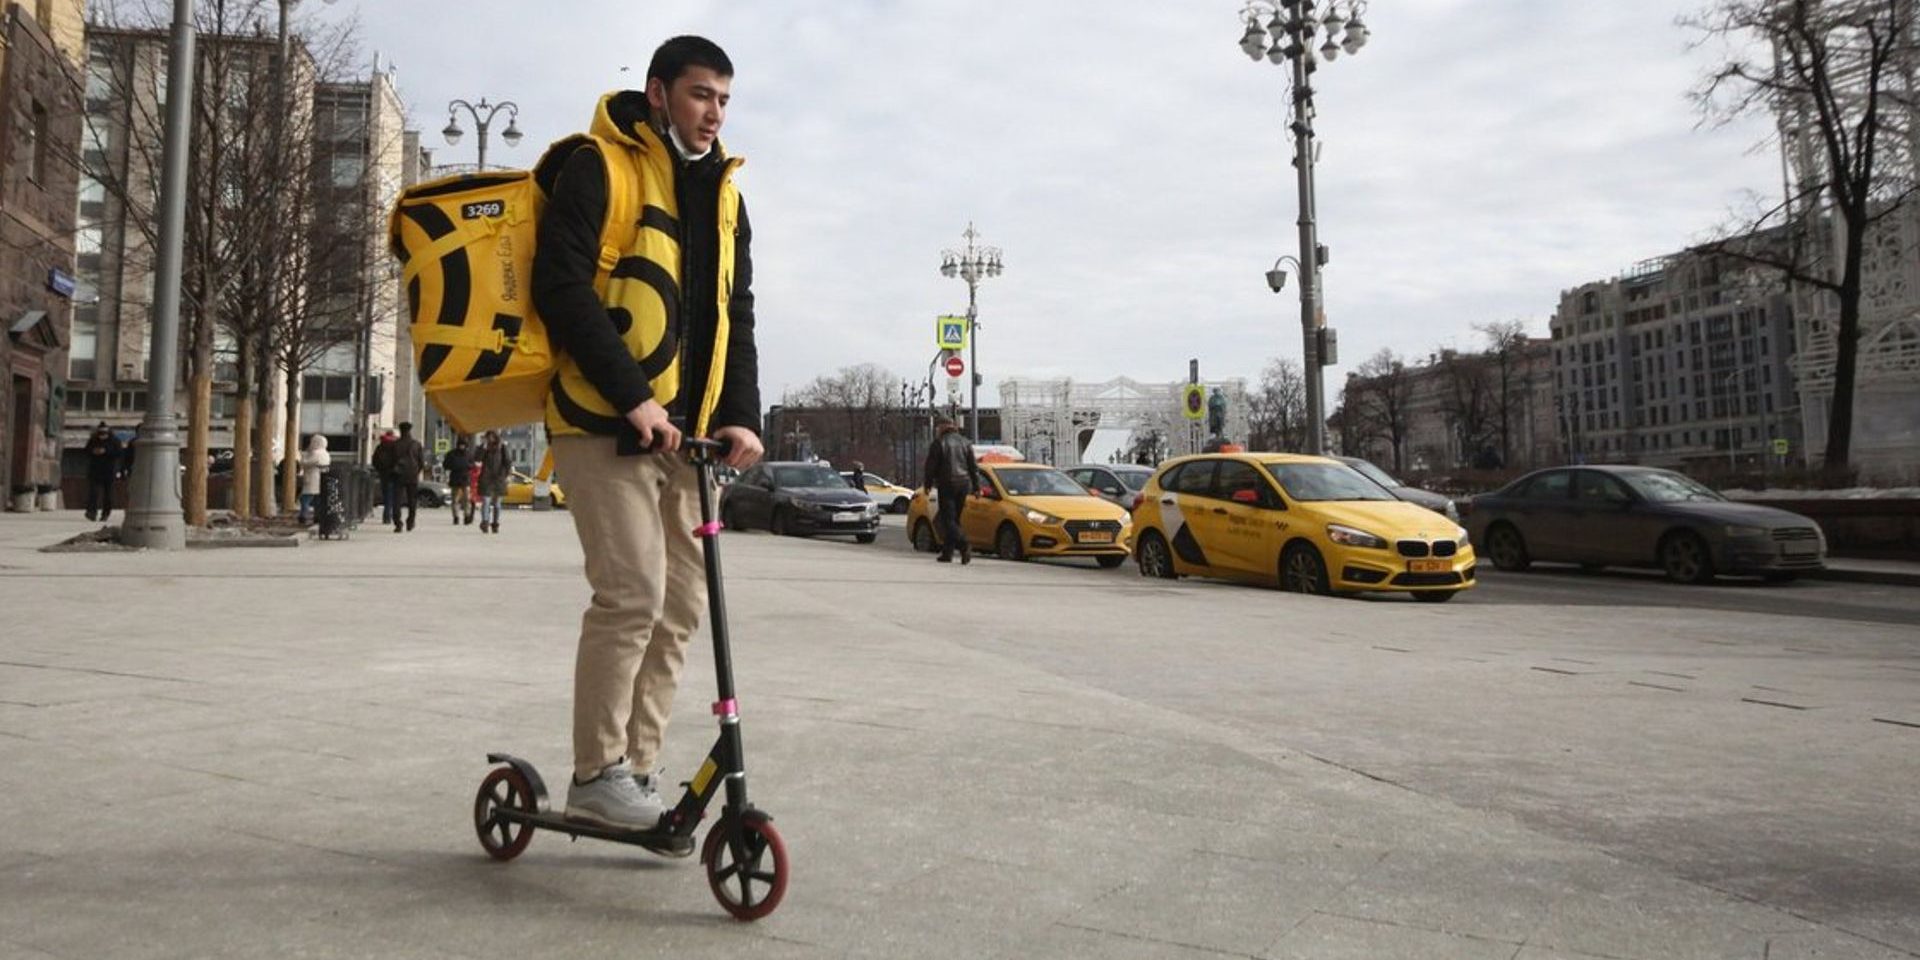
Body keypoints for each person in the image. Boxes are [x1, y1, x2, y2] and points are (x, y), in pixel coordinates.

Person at [529, 35, 764, 831]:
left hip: (688, 441)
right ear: (659, 93)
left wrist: (740, 414)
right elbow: (561, 286)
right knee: (631, 594)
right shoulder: (599, 167)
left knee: (681, 608)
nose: (715, 113)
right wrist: (634, 399)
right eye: (701, 94)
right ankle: (595, 773)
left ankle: (636, 769)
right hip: (603, 422)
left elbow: (736, 316)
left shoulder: (727, 198)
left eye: (724, 99)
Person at [921, 416, 978, 564]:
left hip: (947, 484)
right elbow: (973, 467)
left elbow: (930, 466)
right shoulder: (966, 442)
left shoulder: (939, 443)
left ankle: (964, 545)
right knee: (954, 519)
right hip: (964, 484)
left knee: (948, 520)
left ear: (942, 427)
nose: (937, 430)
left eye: (938, 427)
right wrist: (976, 487)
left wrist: (927, 484)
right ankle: (947, 553)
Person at [390, 422, 426, 533]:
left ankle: (398, 523)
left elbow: (390, 461)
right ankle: (410, 521)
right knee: (412, 500)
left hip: (398, 475)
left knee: (397, 500)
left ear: (401, 431)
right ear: (410, 431)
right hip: (412, 475)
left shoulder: (395, 444)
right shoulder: (416, 444)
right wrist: (416, 471)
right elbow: (421, 462)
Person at [82, 422, 122, 522]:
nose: (102, 435)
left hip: (109, 471)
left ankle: (105, 513)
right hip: (95, 470)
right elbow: (86, 451)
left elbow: (119, 453)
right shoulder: (93, 440)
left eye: (104, 433)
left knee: (108, 495)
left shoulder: (114, 441)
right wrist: (93, 451)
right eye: (100, 433)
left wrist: (106, 451)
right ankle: (91, 512)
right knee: (93, 493)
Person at [475, 431, 511, 534]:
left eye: (491, 437)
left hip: (499, 478)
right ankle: (485, 523)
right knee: (486, 501)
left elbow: (507, 461)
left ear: (495, 438)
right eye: (488, 437)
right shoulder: (484, 448)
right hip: (486, 478)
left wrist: (505, 475)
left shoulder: (502, 447)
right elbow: (477, 459)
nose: (489, 439)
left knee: (497, 504)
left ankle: (495, 524)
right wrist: (483, 447)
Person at [297, 434, 330, 524]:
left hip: (312, 478)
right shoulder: (326, 454)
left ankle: (303, 515)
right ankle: (317, 516)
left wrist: (303, 457)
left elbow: (305, 463)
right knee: (317, 500)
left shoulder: (315, 453)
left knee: (305, 499)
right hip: (321, 479)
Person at [443, 437, 476, 525]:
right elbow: (445, 465)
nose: (462, 446)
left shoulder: (469, 454)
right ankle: (456, 517)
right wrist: (455, 466)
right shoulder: (451, 454)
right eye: (461, 445)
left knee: (466, 499)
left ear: (466, 446)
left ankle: (467, 516)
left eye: (463, 445)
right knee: (455, 499)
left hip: (465, 479)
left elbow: (472, 465)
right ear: (457, 445)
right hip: (455, 478)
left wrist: (467, 466)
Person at [371, 430, 399, 526]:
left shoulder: (380, 446)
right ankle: (390, 515)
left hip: (383, 474)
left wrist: (379, 470)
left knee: (386, 495)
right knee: (393, 496)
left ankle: (386, 516)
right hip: (394, 474)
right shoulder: (396, 446)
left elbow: (374, 460)